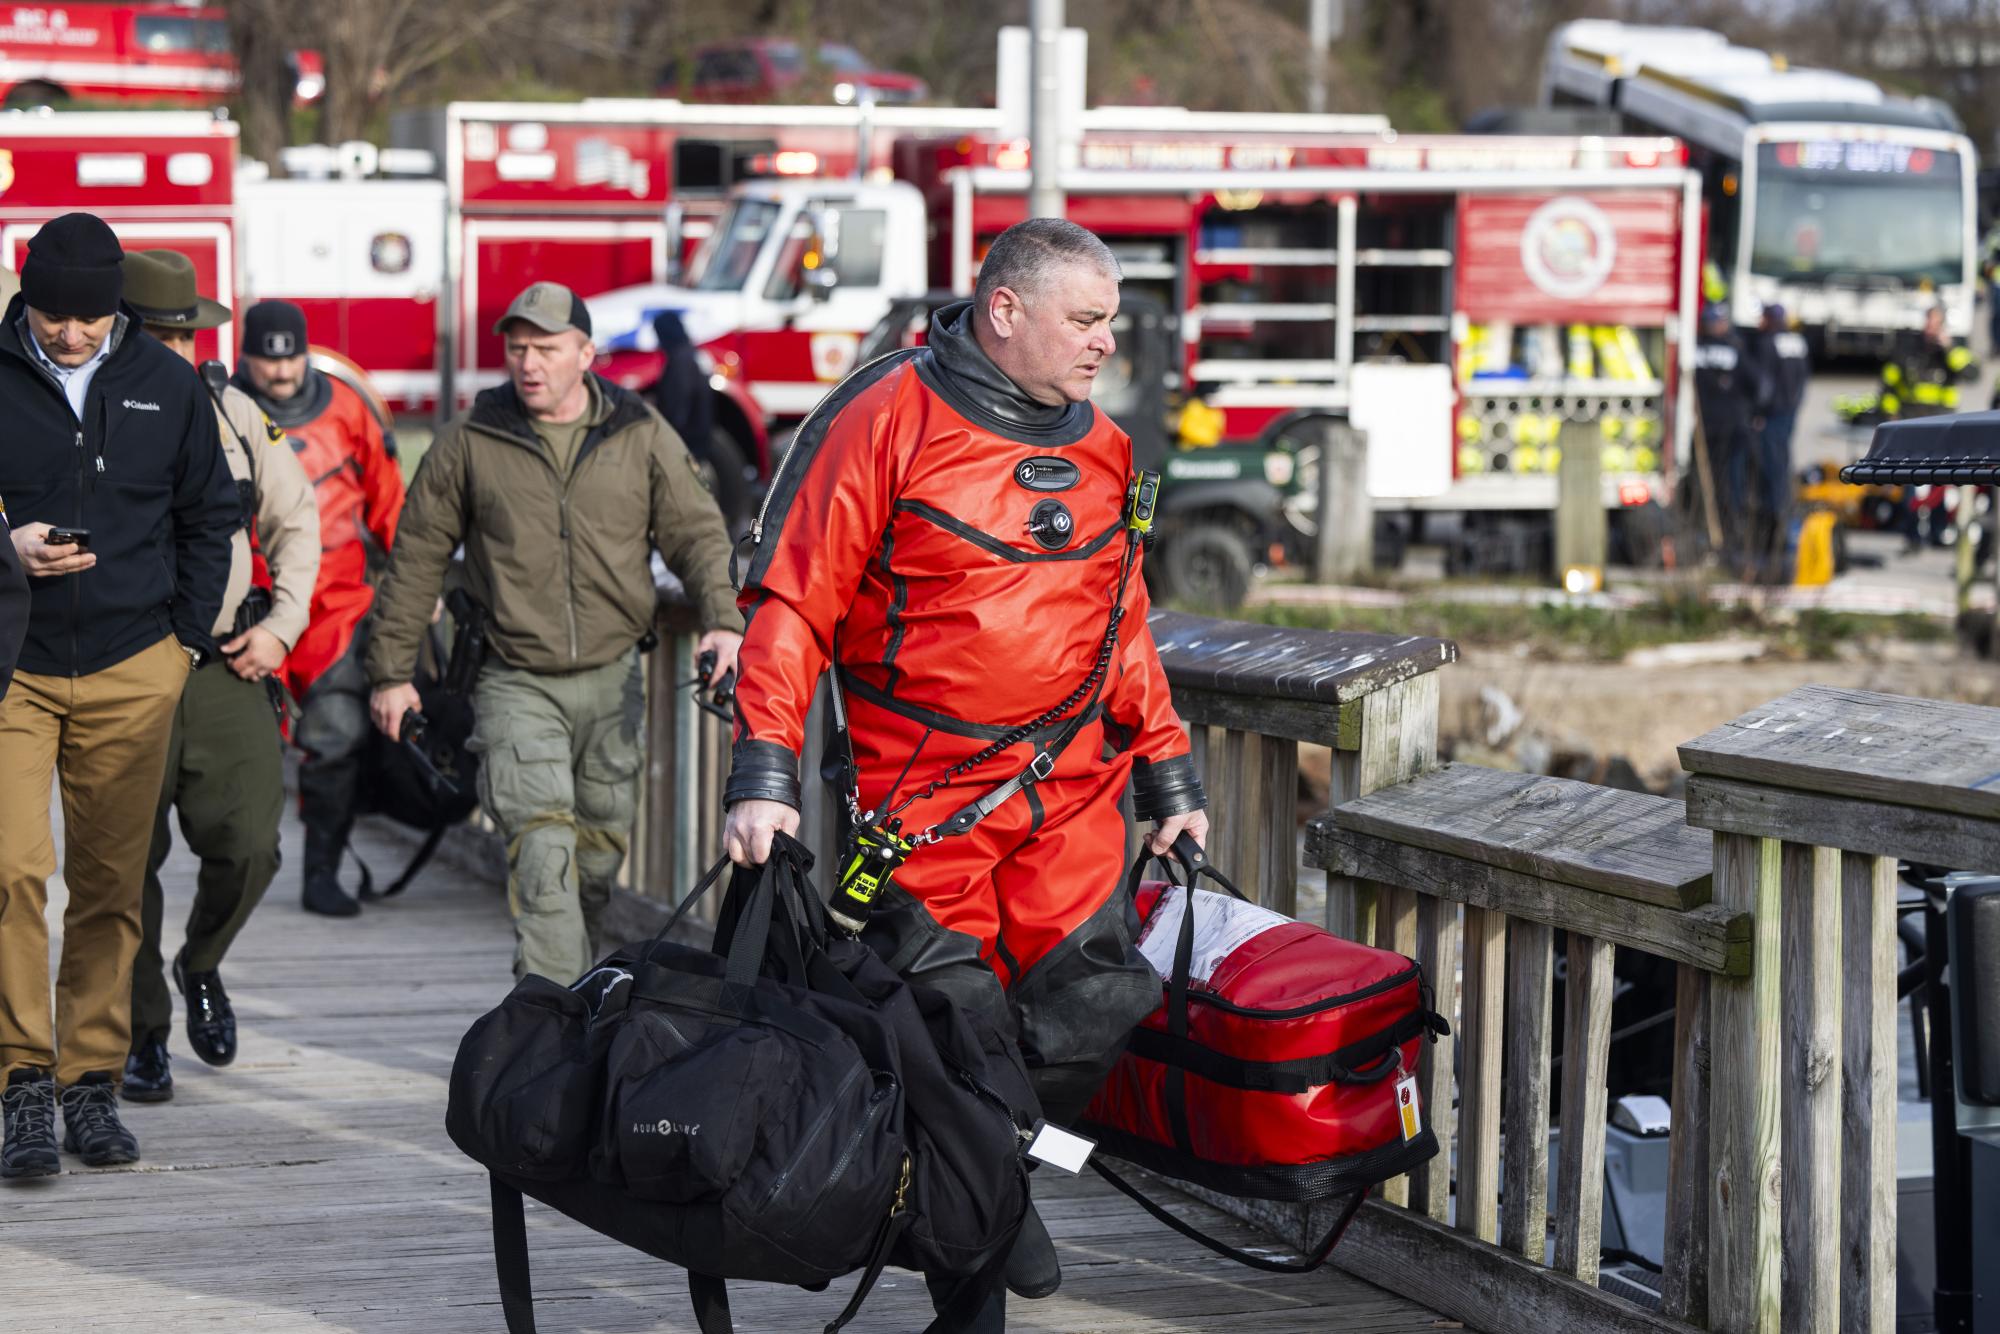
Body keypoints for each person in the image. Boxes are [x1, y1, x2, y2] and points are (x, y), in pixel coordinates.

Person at [721, 218, 1210, 1325]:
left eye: (1108, 320)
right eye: (1084, 320)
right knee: (953, 1039)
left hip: (1073, 801)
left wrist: (1168, 777)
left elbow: (1120, 626)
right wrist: (762, 769)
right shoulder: (880, 416)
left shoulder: (1107, 448)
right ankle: (976, 1278)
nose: (1104, 341)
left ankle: (985, 1182)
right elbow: (792, 601)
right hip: (920, 809)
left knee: (1088, 1013)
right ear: (1004, 310)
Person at [366, 281, 740, 983]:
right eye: (517, 349)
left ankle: (568, 1001)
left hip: (614, 677)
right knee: (541, 853)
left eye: (545, 348)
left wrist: (722, 618)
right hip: (512, 677)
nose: (528, 363)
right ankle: (554, 1020)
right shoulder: (470, 443)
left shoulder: (637, 432)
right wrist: (390, 673)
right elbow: (414, 558)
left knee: (596, 854)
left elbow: (695, 533)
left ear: (586, 353)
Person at [0, 214, 237, 1177]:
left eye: (88, 319)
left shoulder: (168, 385)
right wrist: (3, 550)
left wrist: (181, 644)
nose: (69, 334)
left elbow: (210, 515)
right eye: (54, 316)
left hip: (135, 664)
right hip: (11, 663)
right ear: (27, 298)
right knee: (10, 872)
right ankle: (20, 1079)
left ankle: (88, 1081)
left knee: (109, 887)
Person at [118, 252, 320, 1102]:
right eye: (157, 332)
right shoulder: (89, 414)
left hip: (226, 663)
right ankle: (142, 1034)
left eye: (184, 333)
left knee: (250, 848)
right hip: (122, 663)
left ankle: (200, 966)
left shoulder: (235, 414)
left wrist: (281, 629)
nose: (173, 346)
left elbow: (297, 521)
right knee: (125, 864)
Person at [232, 300, 404, 917]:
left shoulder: (348, 407)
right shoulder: (219, 409)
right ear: (246, 355)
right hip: (245, 603)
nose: (279, 374)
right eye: (266, 361)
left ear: (306, 353)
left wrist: (416, 585)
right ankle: (236, 875)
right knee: (243, 747)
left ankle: (322, 872)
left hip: (336, 604)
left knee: (336, 735)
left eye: (289, 359)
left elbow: (388, 502)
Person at [1693, 301, 1764, 576]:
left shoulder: (1694, 348)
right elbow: (1758, 384)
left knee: (1708, 484)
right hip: (1730, 429)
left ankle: (1715, 535)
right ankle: (1728, 537)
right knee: (1731, 486)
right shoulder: (1734, 350)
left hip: (1706, 429)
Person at [1749, 303, 1810, 580]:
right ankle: (1782, 527)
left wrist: (1759, 413)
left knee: (1770, 475)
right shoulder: (1797, 342)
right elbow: (1802, 382)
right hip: (1788, 414)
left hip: (1771, 416)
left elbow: (1764, 383)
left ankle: (1774, 536)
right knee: (1782, 469)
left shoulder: (1767, 343)